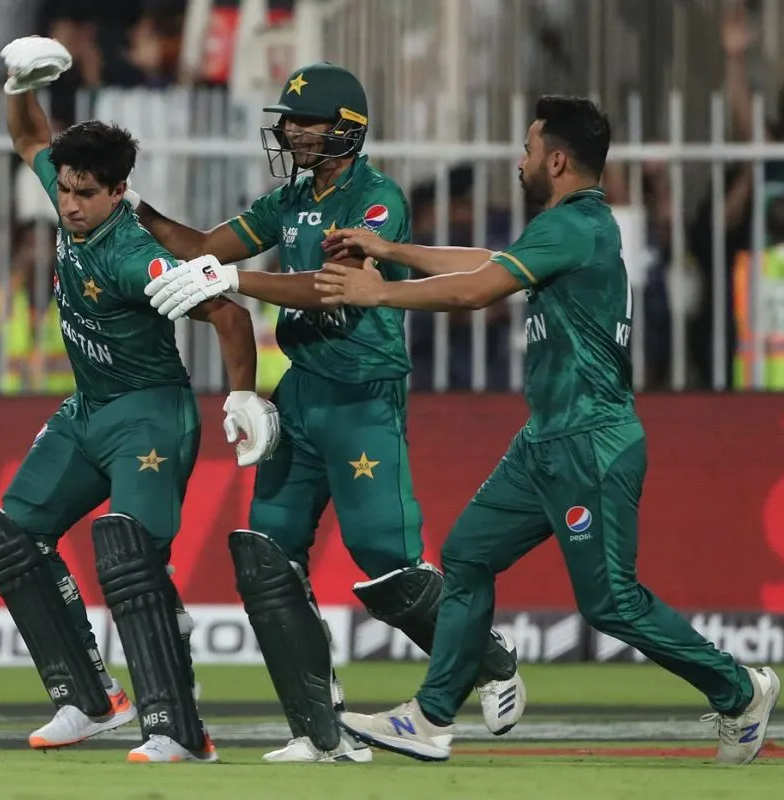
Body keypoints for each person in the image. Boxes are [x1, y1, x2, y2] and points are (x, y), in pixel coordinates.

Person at [316, 95, 781, 766]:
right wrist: (388, 248)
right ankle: (432, 716)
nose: (520, 160)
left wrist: (376, 290)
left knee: (611, 603)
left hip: (591, 440)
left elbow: (476, 291)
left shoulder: (575, 226)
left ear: (557, 159)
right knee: (469, 552)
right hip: (547, 440)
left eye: (529, 149)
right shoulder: (566, 228)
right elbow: (485, 263)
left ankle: (739, 692)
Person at [131, 62, 525, 764]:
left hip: (362, 396)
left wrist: (235, 279)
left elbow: (331, 287)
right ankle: (319, 731)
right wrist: (134, 207)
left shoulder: (378, 202)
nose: (291, 131)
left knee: (387, 561)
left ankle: (489, 661)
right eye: (289, 120)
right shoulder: (288, 201)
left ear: (346, 130)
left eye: (306, 122)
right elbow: (200, 250)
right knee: (265, 558)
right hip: (301, 394)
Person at [0, 35, 279, 764]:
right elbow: (30, 136)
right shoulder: (68, 187)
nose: (68, 205)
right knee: (12, 537)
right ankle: (91, 699)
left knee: (131, 559)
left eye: (84, 195)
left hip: (149, 415)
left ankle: (179, 728)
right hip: (90, 409)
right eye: (64, 190)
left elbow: (228, 313)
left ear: (117, 192)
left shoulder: (138, 256)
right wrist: (16, 83)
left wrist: (242, 398)